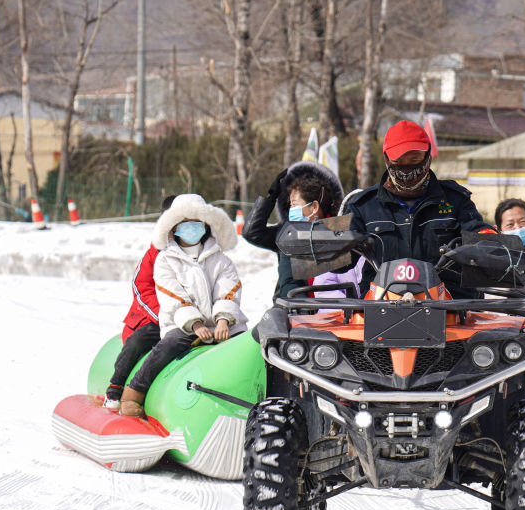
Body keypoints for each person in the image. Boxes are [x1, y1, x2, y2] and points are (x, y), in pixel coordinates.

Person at [118, 194, 247, 418]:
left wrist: (223, 319)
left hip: (221, 324)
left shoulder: (221, 259)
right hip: (183, 325)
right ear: (174, 226)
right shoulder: (165, 260)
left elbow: (229, 289)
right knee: (170, 344)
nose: (192, 228)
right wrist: (195, 324)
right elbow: (172, 296)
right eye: (185, 223)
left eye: (197, 222)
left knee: (246, 346)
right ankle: (134, 392)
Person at [345, 120, 494, 297]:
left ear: (428, 156)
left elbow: (478, 232)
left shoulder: (456, 200)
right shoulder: (363, 205)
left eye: (414, 159)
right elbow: (337, 258)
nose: (407, 168)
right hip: (380, 302)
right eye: (399, 161)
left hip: (449, 304)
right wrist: (322, 240)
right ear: (386, 159)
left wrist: (493, 242)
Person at [104, 194, 177, 410]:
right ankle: (115, 387)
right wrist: (163, 315)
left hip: (191, 318)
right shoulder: (154, 253)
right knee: (137, 341)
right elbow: (141, 287)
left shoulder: (199, 251)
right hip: (156, 317)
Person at [243, 161, 344, 300]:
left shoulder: (340, 234)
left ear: (314, 207)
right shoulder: (288, 234)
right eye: (290, 205)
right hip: (294, 307)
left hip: (335, 308)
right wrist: (270, 197)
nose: (291, 210)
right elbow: (252, 233)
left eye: (295, 205)